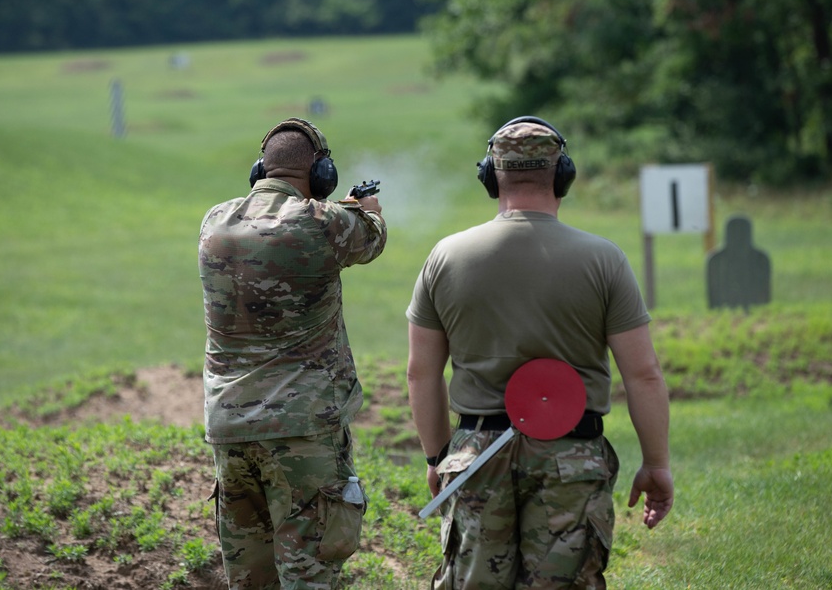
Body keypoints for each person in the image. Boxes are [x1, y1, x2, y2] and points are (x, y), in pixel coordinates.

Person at [406, 117, 673, 589]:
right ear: (562, 174)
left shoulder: (446, 256)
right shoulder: (603, 259)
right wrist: (656, 464)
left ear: (491, 176)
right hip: (571, 457)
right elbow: (644, 374)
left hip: (475, 454)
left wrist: (438, 457)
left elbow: (421, 373)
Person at [199, 117, 387, 589]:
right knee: (310, 575)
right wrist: (366, 209)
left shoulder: (214, 223)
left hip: (230, 431)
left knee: (250, 580)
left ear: (260, 168)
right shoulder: (323, 223)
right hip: (302, 432)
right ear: (321, 174)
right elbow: (373, 237)